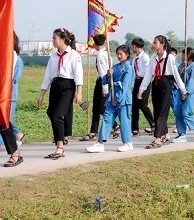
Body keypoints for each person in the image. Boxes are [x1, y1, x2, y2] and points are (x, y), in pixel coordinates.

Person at [37, 28, 83, 160]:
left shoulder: (74, 55)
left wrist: (78, 92)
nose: (52, 40)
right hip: (55, 85)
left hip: (68, 86)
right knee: (51, 112)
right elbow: (48, 76)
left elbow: (78, 75)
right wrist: (42, 94)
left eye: (54, 38)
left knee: (57, 115)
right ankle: (60, 139)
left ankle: (60, 147)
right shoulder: (53, 56)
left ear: (62, 40)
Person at [137, 35, 187, 149]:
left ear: (162, 44)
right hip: (155, 84)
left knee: (163, 112)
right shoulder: (153, 58)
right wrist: (141, 89)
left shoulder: (170, 58)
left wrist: (183, 89)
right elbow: (148, 74)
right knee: (157, 110)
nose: (153, 44)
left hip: (165, 84)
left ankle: (157, 138)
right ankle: (166, 135)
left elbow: (176, 74)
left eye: (155, 42)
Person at [86, 45, 135, 153]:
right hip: (111, 97)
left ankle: (127, 143)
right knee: (107, 118)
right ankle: (100, 143)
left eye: (121, 54)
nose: (118, 56)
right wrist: (108, 75)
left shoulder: (128, 68)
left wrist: (117, 98)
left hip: (123, 98)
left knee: (124, 120)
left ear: (127, 55)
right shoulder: (115, 67)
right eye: (117, 54)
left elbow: (126, 85)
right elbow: (104, 81)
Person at [0, 32, 25, 155]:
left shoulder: (17, 59)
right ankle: (18, 135)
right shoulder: (0, 56)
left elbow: (13, 79)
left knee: (3, 120)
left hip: (9, 95)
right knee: (2, 119)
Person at [82, 34, 110, 142]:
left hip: (103, 82)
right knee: (95, 108)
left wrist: (105, 88)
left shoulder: (102, 56)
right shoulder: (103, 53)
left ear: (95, 44)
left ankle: (115, 126)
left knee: (101, 108)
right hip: (100, 82)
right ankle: (93, 131)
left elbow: (103, 71)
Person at [172, 49, 194, 143]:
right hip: (180, 91)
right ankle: (182, 134)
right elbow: (176, 76)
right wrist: (182, 68)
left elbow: (192, 81)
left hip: (189, 93)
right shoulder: (181, 66)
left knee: (186, 112)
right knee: (177, 111)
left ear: (189, 56)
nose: (182, 57)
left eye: (184, 55)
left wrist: (186, 92)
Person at [130, 38, 154, 136]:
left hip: (145, 81)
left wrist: (143, 85)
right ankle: (135, 128)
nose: (132, 48)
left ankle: (153, 123)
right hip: (137, 81)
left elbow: (148, 72)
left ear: (135, 46)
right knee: (135, 106)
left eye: (132, 46)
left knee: (143, 105)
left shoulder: (145, 57)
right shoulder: (134, 59)